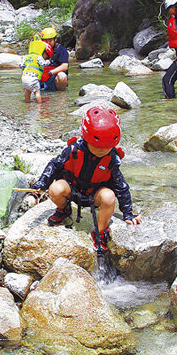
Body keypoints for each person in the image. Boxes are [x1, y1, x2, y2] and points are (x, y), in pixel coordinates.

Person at [30, 107, 142, 252]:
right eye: (97, 147)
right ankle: (64, 210)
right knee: (55, 189)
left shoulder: (111, 159)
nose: (102, 151)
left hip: (94, 194)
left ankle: (99, 232)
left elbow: (122, 187)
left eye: (107, 148)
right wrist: (42, 182)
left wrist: (128, 213)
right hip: (73, 188)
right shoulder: (73, 150)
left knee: (109, 197)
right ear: (87, 139)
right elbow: (55, 165)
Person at [21, 39, 53, 103]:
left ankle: (27, 104)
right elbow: (43, 63)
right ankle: (39, 104)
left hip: (24, 78)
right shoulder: (38, 57)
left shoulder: (27, 56)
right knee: (37, 92)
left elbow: (21, 65)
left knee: (27, 92)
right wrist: (49, 61)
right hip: (33, 78)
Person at [39, 27, 69, 92]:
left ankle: (60, 95)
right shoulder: (39, 49)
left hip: (54, 77)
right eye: (45, 41)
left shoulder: (61, 50)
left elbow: (65, 66)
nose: (47, 43)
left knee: (62, 76)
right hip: (42, 77)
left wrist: (50, 73)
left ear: (55, 39)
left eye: (50, 40)